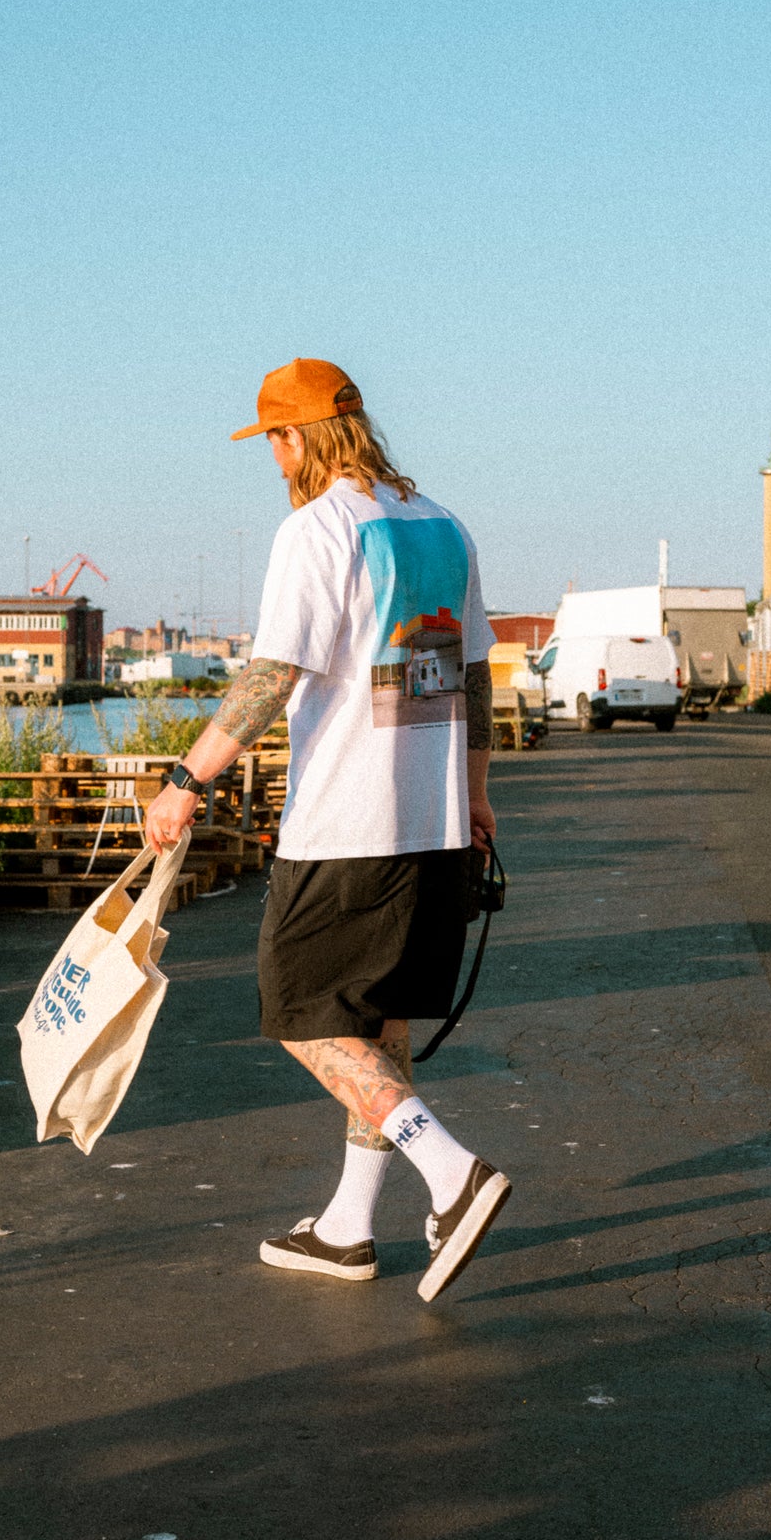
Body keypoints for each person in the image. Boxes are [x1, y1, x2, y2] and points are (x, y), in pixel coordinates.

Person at [145, 357, 510, 1301]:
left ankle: (450, 1171)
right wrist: (473, 792)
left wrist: (187, 776)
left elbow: (272, 675)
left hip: (348, 821)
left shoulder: (317, 529)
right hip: (430, 822)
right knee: (373, 1021)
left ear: (297, 435)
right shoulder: (443, 525)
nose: (272, 460)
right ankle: (347, 1227)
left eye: (273, 440)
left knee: (302, 1010)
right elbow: (472, 676)